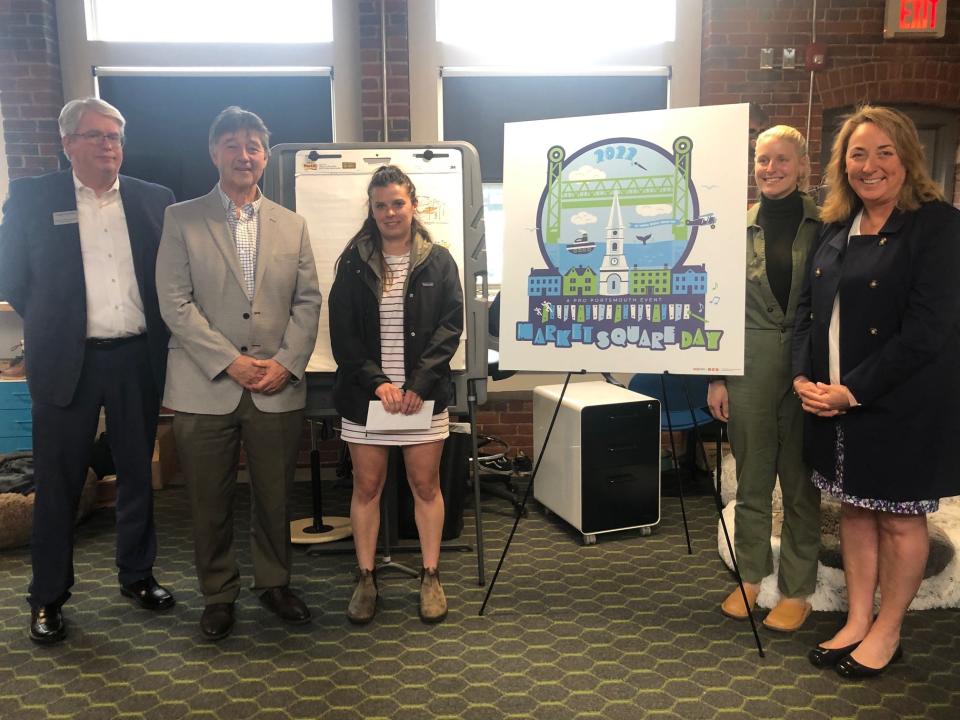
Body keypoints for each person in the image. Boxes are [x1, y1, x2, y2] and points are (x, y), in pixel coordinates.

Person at [0, 97, 176, 644]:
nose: (108, 145)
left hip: (136, 359)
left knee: (135, 478)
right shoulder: (32, 199)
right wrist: (55, 324)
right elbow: (13, 280)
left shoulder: (154, 200)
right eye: (96, 135)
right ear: (67, 143)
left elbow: (168, 280)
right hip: (65, 363)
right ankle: (48, 597)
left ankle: (137, 575)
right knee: (58, 484)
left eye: (116, 136)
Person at [793, 106, 960, 678]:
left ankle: (889, 630)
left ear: (907, 157)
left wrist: (851, 392)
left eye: (884, 152)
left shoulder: (937, 225)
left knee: (899, 518)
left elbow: (927, 332)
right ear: (843, 165)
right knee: (856, 512)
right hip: (833, 402)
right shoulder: (837, 226)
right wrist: (801, 379)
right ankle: (858, 620)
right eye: (857, 154)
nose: (869, 166)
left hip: (900, 403)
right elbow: (808, 316)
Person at [156, 107, 321, 641]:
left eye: (252, 145)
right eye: (231, 144)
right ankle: (218, 593)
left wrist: (285, 363)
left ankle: (274, 583)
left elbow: (308, 301)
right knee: (208, 501)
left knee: (275, 496)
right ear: (213, 152)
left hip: (275, 384)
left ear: (265, 156)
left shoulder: (292, 224)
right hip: (205, 385)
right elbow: (175, 304)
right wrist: (231, 361)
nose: (242, 154)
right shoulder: (181, 218)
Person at [329, 165, 463, 625]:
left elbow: (450, 329)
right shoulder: (351, 262)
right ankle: (365, 577)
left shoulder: (439, 260)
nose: (389, 212)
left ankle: (430, 574)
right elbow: (342, 335)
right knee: (367, 487)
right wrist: (379, 384)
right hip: (368, 397)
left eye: (397, 203)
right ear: (371, 208)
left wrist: (416, 386)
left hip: (420, 397)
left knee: (426, 486)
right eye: (380, 204)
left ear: (413, 205)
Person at [708, 125, 822, 632]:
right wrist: (716, 377)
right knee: (752, 476)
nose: (770, 169)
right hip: (748, 362)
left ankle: (798, 589)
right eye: (761, 160)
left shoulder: (829, 225)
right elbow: (717, 305)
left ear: (802, 166)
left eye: (781, 160)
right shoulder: (737, 228)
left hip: (808, 362)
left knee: (800, 481)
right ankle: (751, 577)